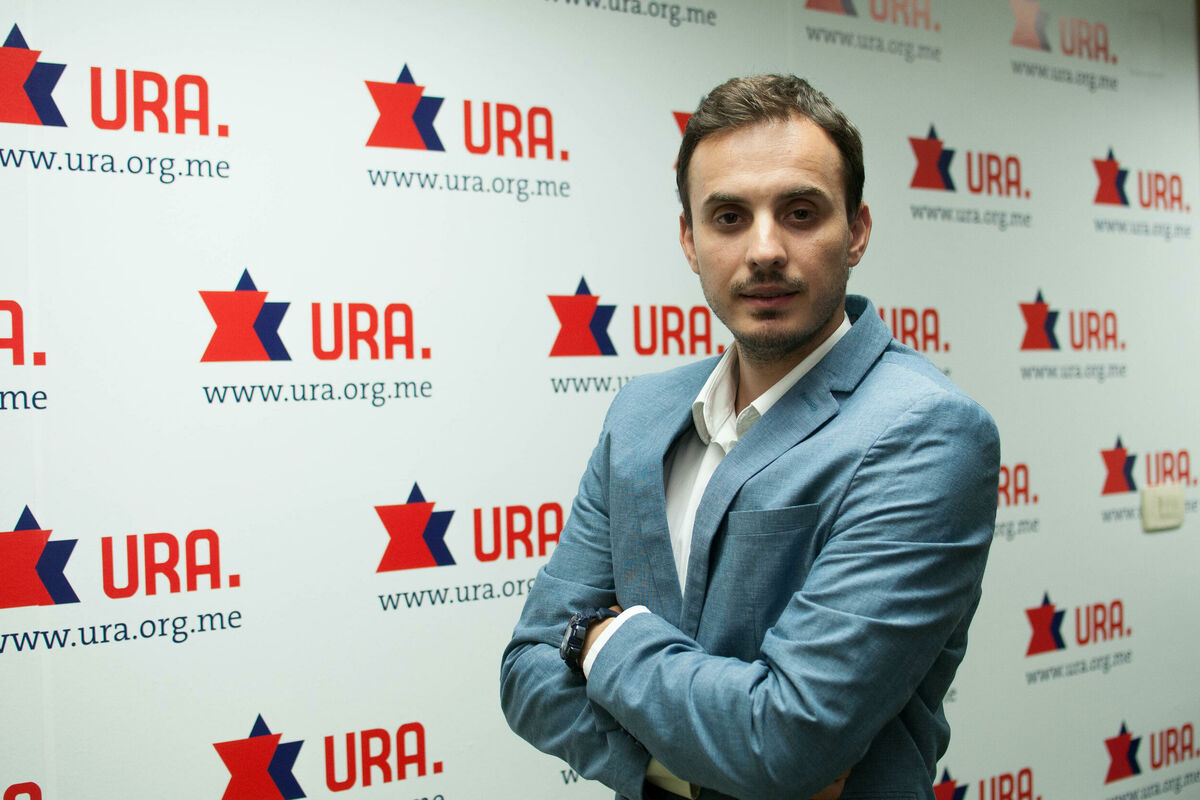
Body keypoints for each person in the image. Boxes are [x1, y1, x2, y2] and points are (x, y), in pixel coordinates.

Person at [500, 74, 1000, 800]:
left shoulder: (925, 431)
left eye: (800, 212)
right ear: (690, 240)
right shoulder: (639, 415)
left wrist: (600, 640)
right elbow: (526, 673)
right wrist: (699, 770)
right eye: (729, 217)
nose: (765, 249)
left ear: (857, 230)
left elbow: (786, 741)